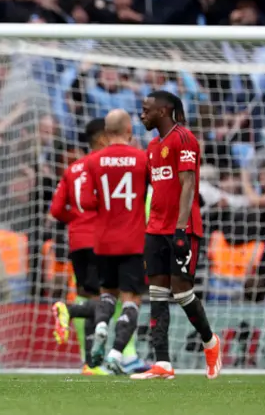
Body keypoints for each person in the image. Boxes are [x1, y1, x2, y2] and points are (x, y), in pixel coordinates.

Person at [132, 91, 221, 380]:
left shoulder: (184, 139)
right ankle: (163, 364)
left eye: (146, 109)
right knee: (157, 294)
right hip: (155, 229)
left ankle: (210, 341)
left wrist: (181, 229)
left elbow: (188, 185)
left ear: (164, 110)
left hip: (181, 229)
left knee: (182, 292)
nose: (142, 114)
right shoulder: (153, 145)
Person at [50, 118, 147, 375]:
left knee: (91, 295)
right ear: (104, 137)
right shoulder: (111, 164)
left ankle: (91, 361)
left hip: (77, 242)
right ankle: (123, 355)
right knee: (115, 298)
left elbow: (57, 210)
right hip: (103, 239)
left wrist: (76, 221)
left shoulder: (74, 169)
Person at [78, 109, 148, 374]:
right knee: (132, 300)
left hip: (103, 241)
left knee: (107, 294)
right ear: (129, 130)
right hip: (133, 241)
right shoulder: (142, 159)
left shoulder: (93, 162)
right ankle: (117, 353)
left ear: (106, 133)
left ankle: (100, 327)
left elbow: (85, 202)